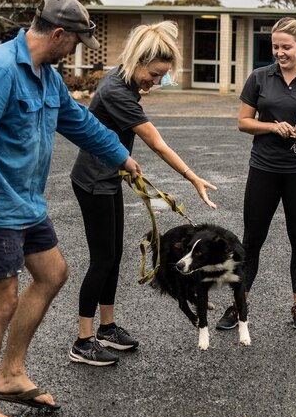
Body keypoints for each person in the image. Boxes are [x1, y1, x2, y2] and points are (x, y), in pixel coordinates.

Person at [0, 0, 142, 417]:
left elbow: (80, 123)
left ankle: (10, 375)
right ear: (57, 34)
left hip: (25, 204)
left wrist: (122, 158)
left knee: (52, 273)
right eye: (75, 41)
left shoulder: (46, 78)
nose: (75, 50)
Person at [69, 21, 217, 366]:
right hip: (93, 182)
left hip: (109, 178)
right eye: (153, 74)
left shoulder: (124, 80)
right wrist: (191, 176)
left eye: (161, 75)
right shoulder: (117, 93)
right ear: (137, 63)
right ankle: (83, 340)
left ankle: (106, 329)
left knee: (114, 256)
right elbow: (156, 142)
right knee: (102, 260)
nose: (156, 81)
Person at [216, 17, 296, 331]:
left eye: (286, 47)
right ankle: (238, 304)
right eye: (275, 46)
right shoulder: (259, 78)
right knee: (251, 240)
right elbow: (243, 122)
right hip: (264, 169)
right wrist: (273, 126)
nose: (279, 52)